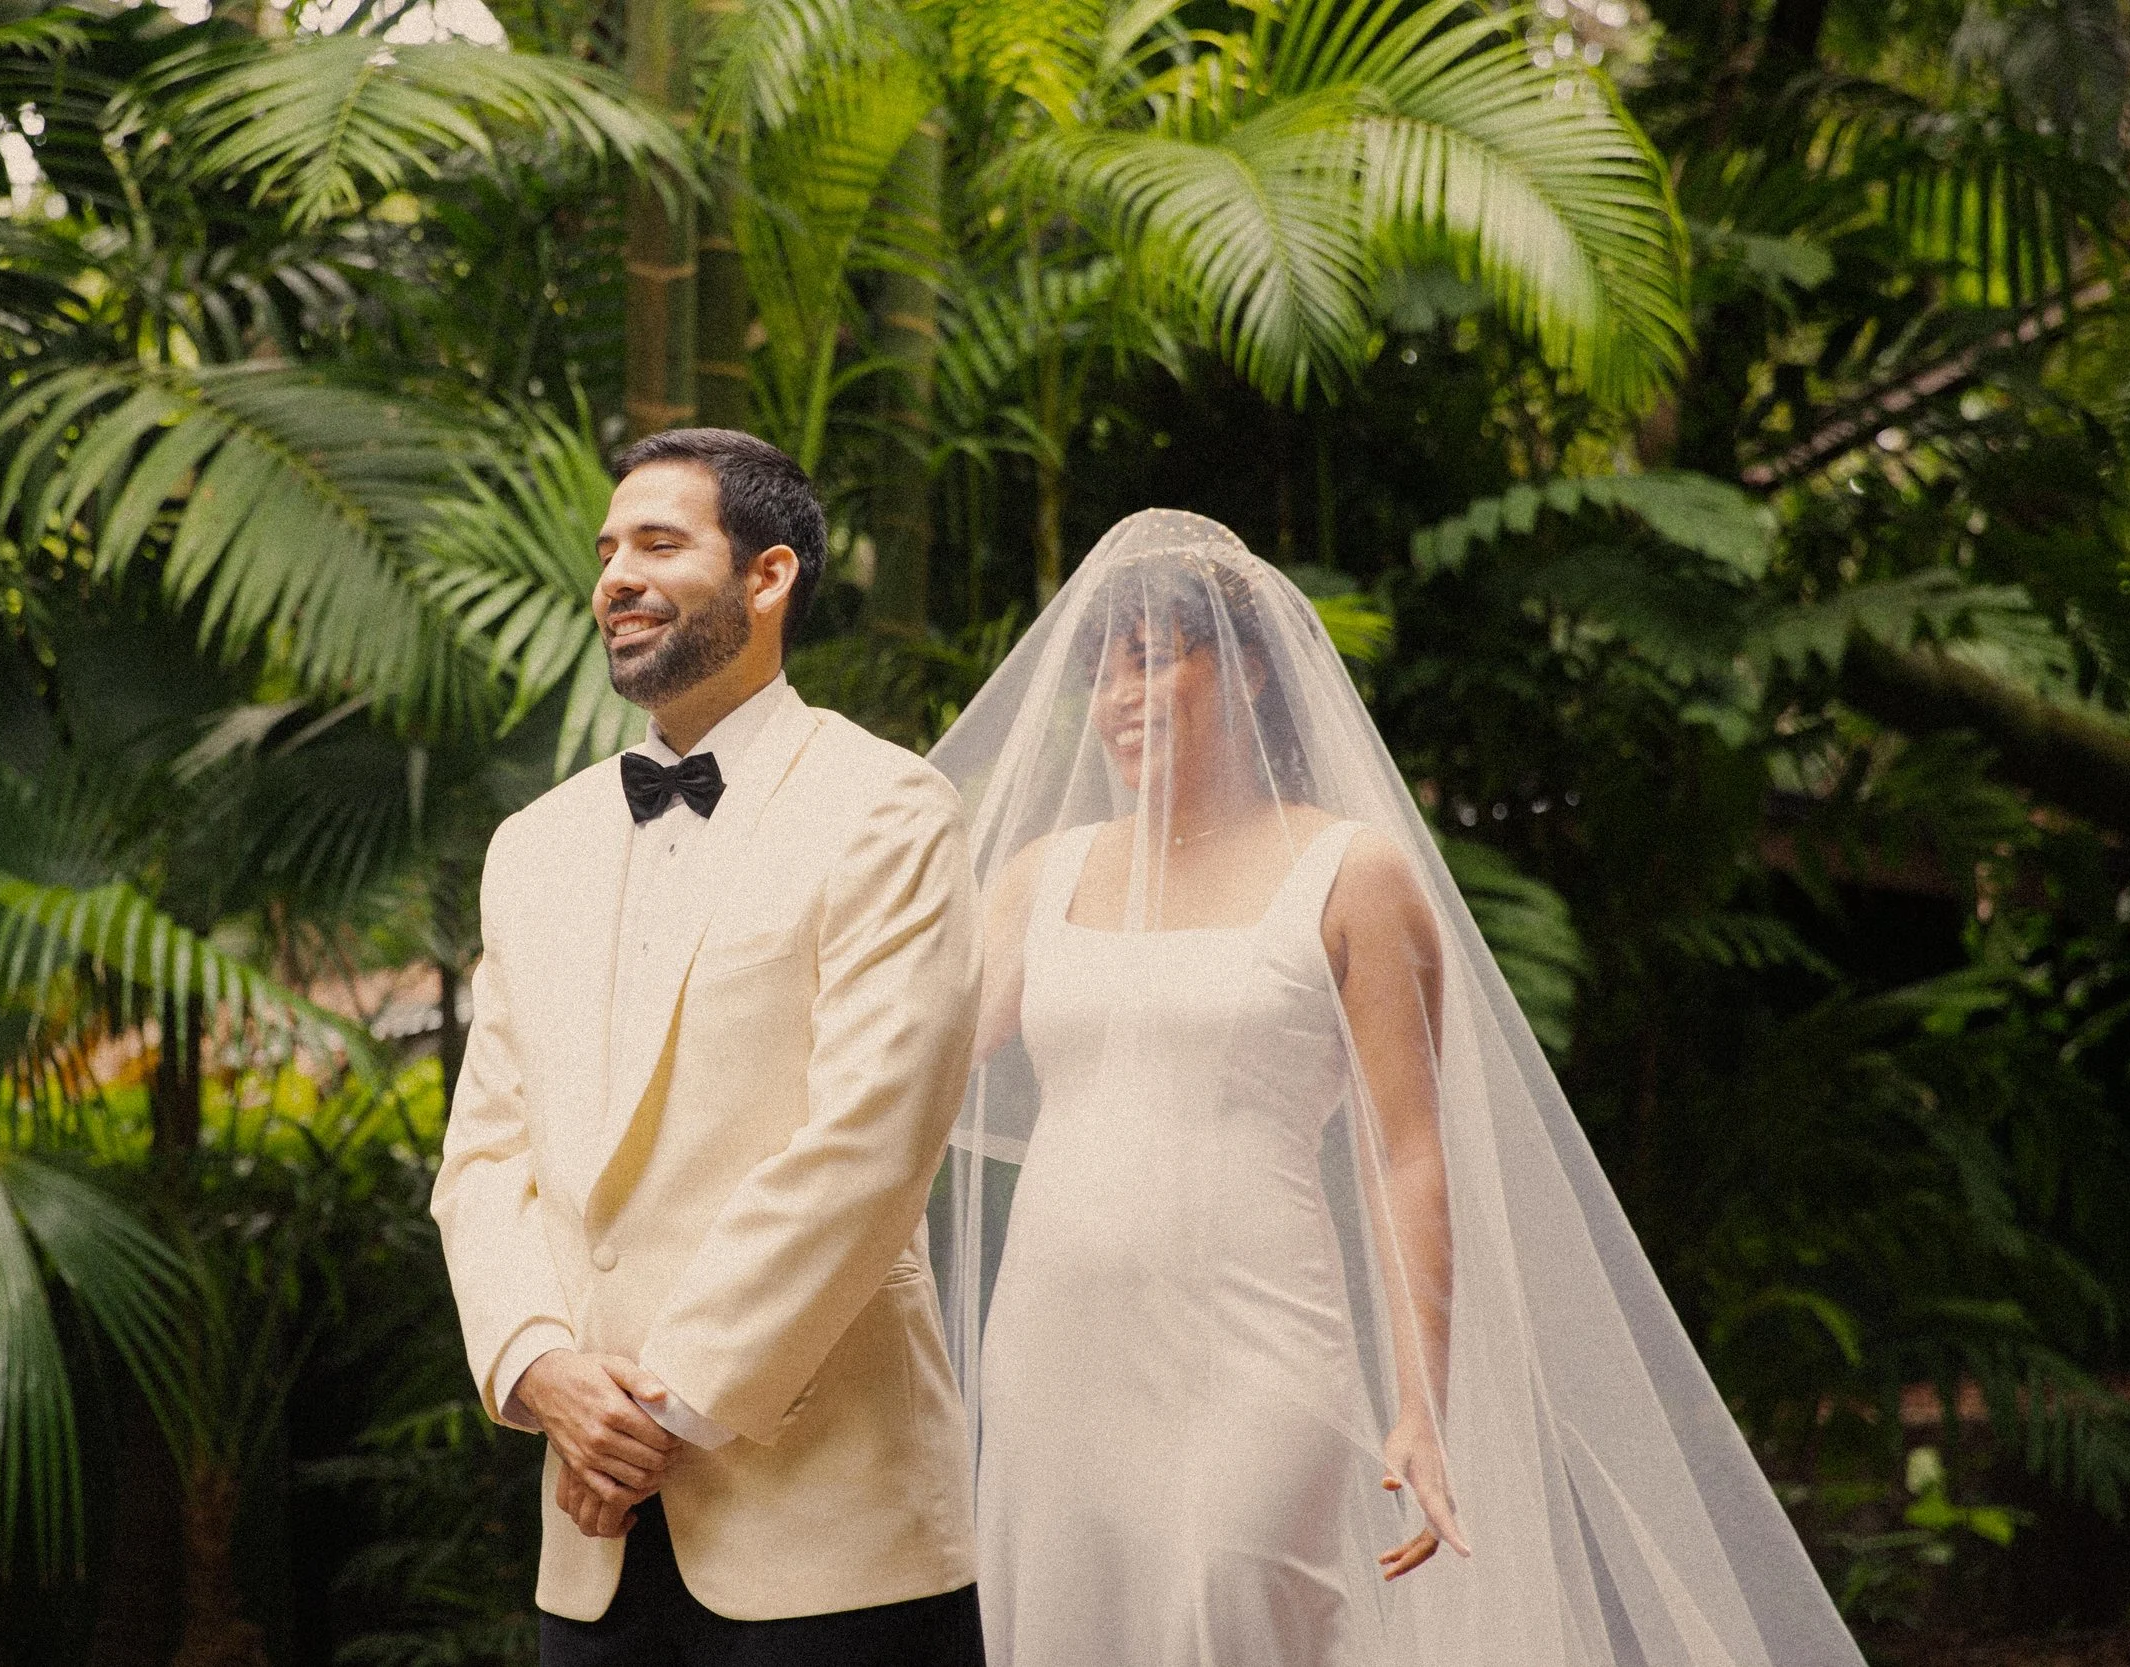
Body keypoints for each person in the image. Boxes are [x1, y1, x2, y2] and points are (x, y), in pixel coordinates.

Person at [928, 510, 1867, 1667]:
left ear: (1249, 664)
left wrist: (1423, 1397)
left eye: (1157, 657)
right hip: (1056, 1342)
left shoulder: (1350, 871)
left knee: (1242, 1608)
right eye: (1104, 669)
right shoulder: (1042, 873)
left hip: (1255, 1339)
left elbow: (1407, 1149)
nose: (1121, 697)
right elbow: (913, 1071)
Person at [433, 428, 986, 1667]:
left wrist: (663, 1408)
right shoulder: (533, 844)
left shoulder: (890, 809)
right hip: (592, 1541)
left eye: (659, 543)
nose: (614, 574)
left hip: (833, 1527)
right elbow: (485, 1157)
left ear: (768, 576)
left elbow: (869, 1146)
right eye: (605, 549)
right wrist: (540, 1369)